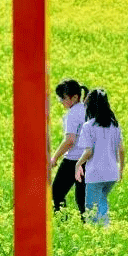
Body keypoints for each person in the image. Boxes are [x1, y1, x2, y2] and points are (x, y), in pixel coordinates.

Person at [74, 89, 125, 225]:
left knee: (91, 210)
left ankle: (101, 232)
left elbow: (89, 151)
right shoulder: (115, 125)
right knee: (102, 200)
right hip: (112, 173)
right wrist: (121, 170)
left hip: (96, 174)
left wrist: (78, 164)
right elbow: (121, 150)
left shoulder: (88, 126)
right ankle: (105, 230)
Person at [49, 79, 89, 216]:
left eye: (63, 97)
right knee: (83, 199)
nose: (61, 101)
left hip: (72, 160)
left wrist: (54, 157)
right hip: (87, 160)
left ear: (75, 97)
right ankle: (88, 226)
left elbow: (70, 140)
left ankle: (62, 223)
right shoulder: (87, 109)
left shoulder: (73, 113)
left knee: (56, 194)